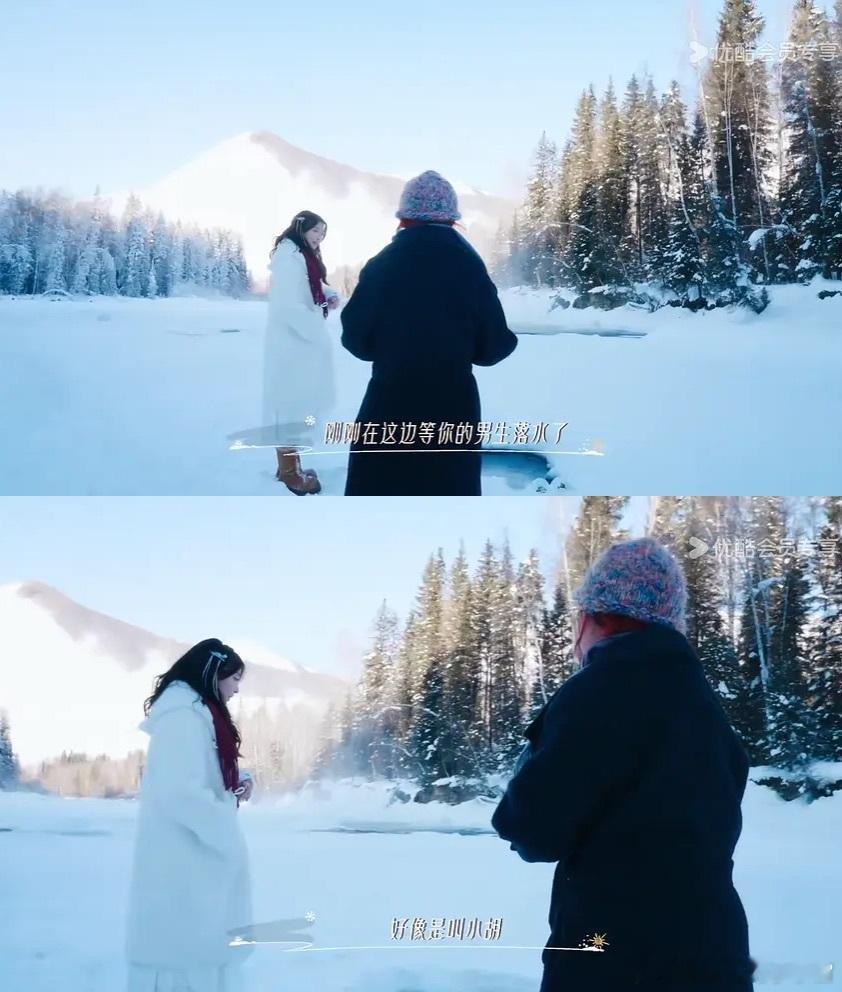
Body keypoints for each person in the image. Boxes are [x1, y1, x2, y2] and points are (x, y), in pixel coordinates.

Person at [491, 538, 755, 992]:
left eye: (579, 619)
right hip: (718, 958)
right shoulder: (707, 709)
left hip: (612, 960)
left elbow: (533, 830)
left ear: (596, 618)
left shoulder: (594, 692)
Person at [340, 170, 518, 496]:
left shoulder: (382, 264)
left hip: (388, 408)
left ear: (404, 217)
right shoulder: (469, 265)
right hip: (452, 413)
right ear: (451, 219)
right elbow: (494, 347)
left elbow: (355, 340)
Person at [126, 639, 254, 992]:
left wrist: (238, 780)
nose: (237, 689)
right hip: (182, 862)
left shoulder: (198, 713)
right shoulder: (182, 717)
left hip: (192, 860)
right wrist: (226, 833)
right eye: (235, 679)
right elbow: (181, 793)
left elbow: (198, 771)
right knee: (183, 961)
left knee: (198, 956)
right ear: (214, 673)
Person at [263, 211, 340, 495]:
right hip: (293, 342)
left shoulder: (301, 256)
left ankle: (290, 466)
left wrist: (328, 294)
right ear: (301, 228)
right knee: (291, 404)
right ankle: (289, 473)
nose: (319, 237)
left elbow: (309, 286)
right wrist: (314, 329)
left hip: (299, 341)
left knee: (298, 403)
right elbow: (287, 305)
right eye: (315, 231)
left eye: (322, 233)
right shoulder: (289, 257)